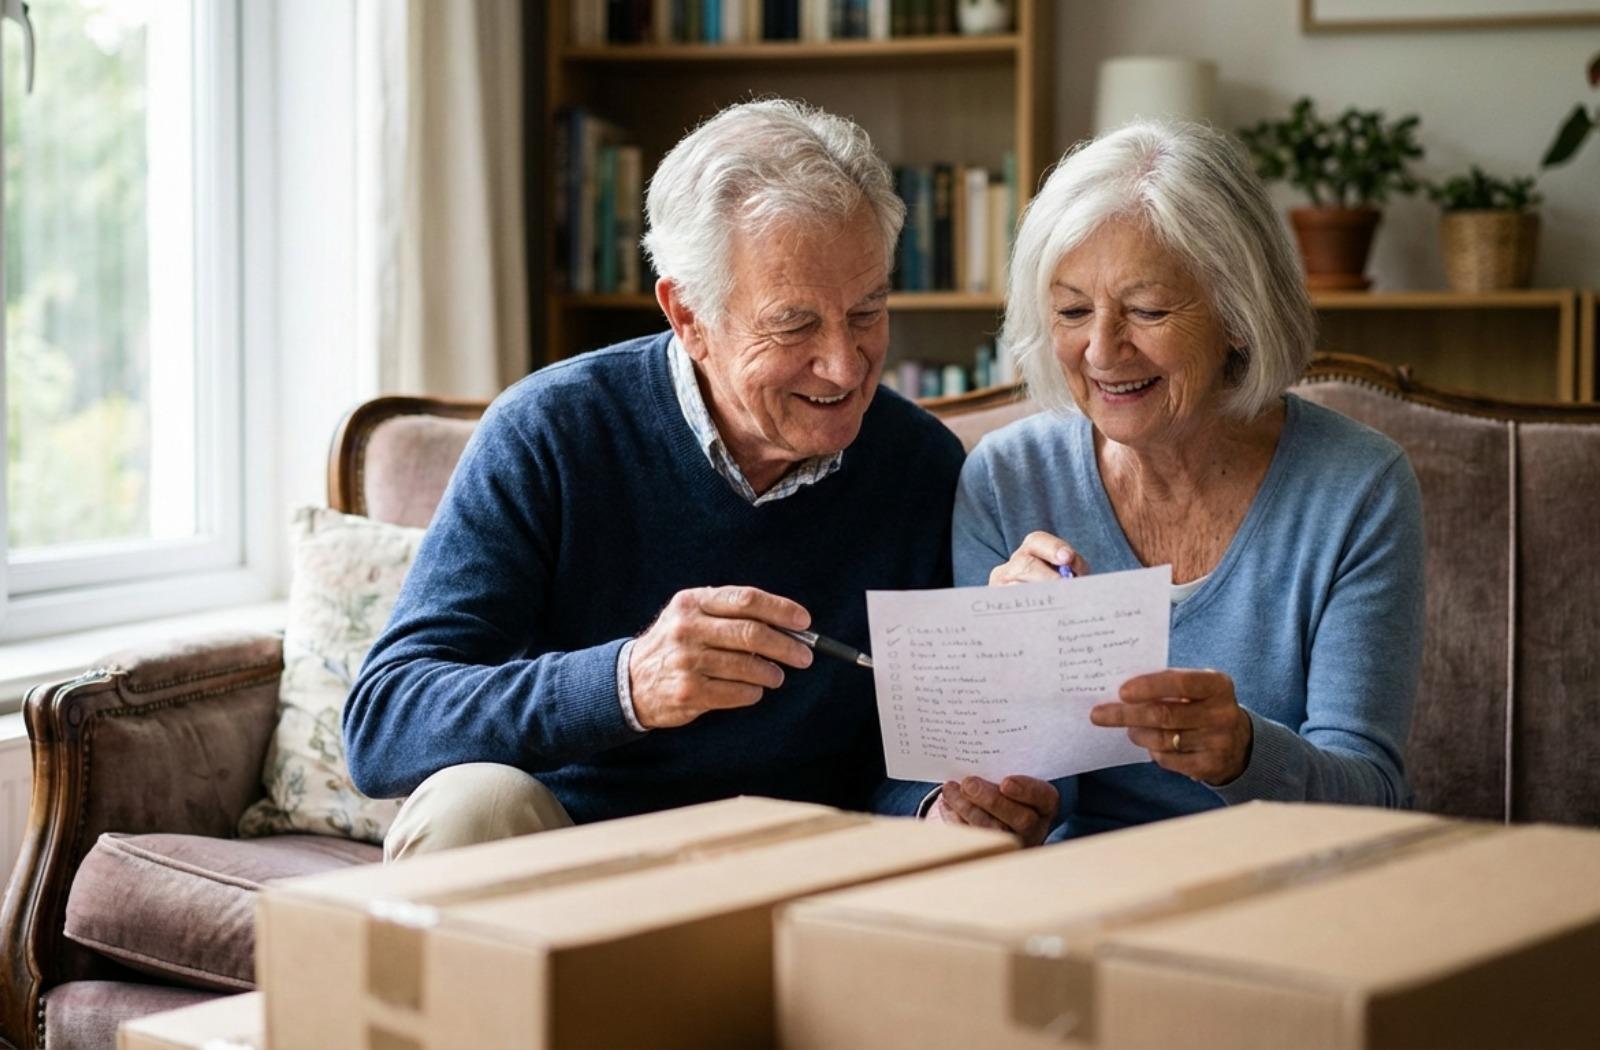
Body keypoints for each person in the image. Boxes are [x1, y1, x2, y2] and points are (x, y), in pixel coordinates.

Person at [344, 100, 1059, 860]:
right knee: (471, 807)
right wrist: (627, 683)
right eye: (793, 326)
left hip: (805, 866)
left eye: (867, 312)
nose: (845, 366)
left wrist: (940, 814)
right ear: (688, 316)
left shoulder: (919, 466)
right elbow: (387, 722)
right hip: (571, 861)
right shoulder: (552, 432)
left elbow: (897, 759)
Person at [925, 121, 1423, 841]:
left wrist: (1243, 754)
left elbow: (1371, 797)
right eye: (1071, 311)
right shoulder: (1007, 479)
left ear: (1238, 316)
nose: (1101, 350)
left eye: (1148, 311)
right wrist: (1002, 722)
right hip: (1069, 900)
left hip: (1286, 893)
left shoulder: (1359, 488)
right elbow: (1028, 800)